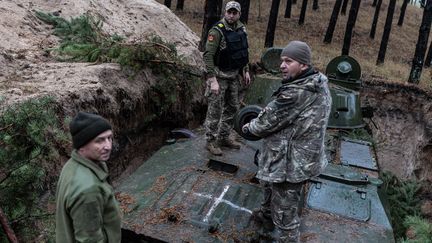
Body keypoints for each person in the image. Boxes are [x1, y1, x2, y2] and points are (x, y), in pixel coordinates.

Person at [242, 41, 332, 242]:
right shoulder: (316, 82)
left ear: (303, 65)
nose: (282, 65)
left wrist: (247, 127)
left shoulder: (297, 92)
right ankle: (266, 215)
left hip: (291, 164)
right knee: (268, 184)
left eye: (288, 61)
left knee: (286, 216)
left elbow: (265, 123)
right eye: (282, 60)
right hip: (299, 157)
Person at [56, 112, 121, 243]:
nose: (108, 146)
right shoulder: (88, 190)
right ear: (82, 145)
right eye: (100, 140)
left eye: (109, 138)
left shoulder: (72, 164)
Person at [203, 0, 251, 156]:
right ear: (225, 12)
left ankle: (223, 136)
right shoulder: (217, 31)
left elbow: (243, 52)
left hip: (234, 75)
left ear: (239, 14)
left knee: (232, 107)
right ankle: (210, 141)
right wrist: (212, 80)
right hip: (219, 76)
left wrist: (246, 70)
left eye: (234, 13)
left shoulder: (242, 30)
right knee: (215, 110)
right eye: (229, 12)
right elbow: (208, 55)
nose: (231, 15)